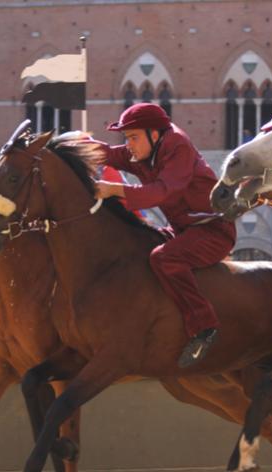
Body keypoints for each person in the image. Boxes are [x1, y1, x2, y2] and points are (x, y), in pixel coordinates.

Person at [94, 103, 237, 367]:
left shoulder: (177, 145)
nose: (129, 145)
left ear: (155, 135)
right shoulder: (145, 149)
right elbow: (111, 155)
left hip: (214, 232)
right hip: (183, 231)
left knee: (164, 259)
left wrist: (114, 189)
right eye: (127, 138)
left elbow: (161, 192)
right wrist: (68, 147)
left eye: (133, 137)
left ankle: (204, 327)